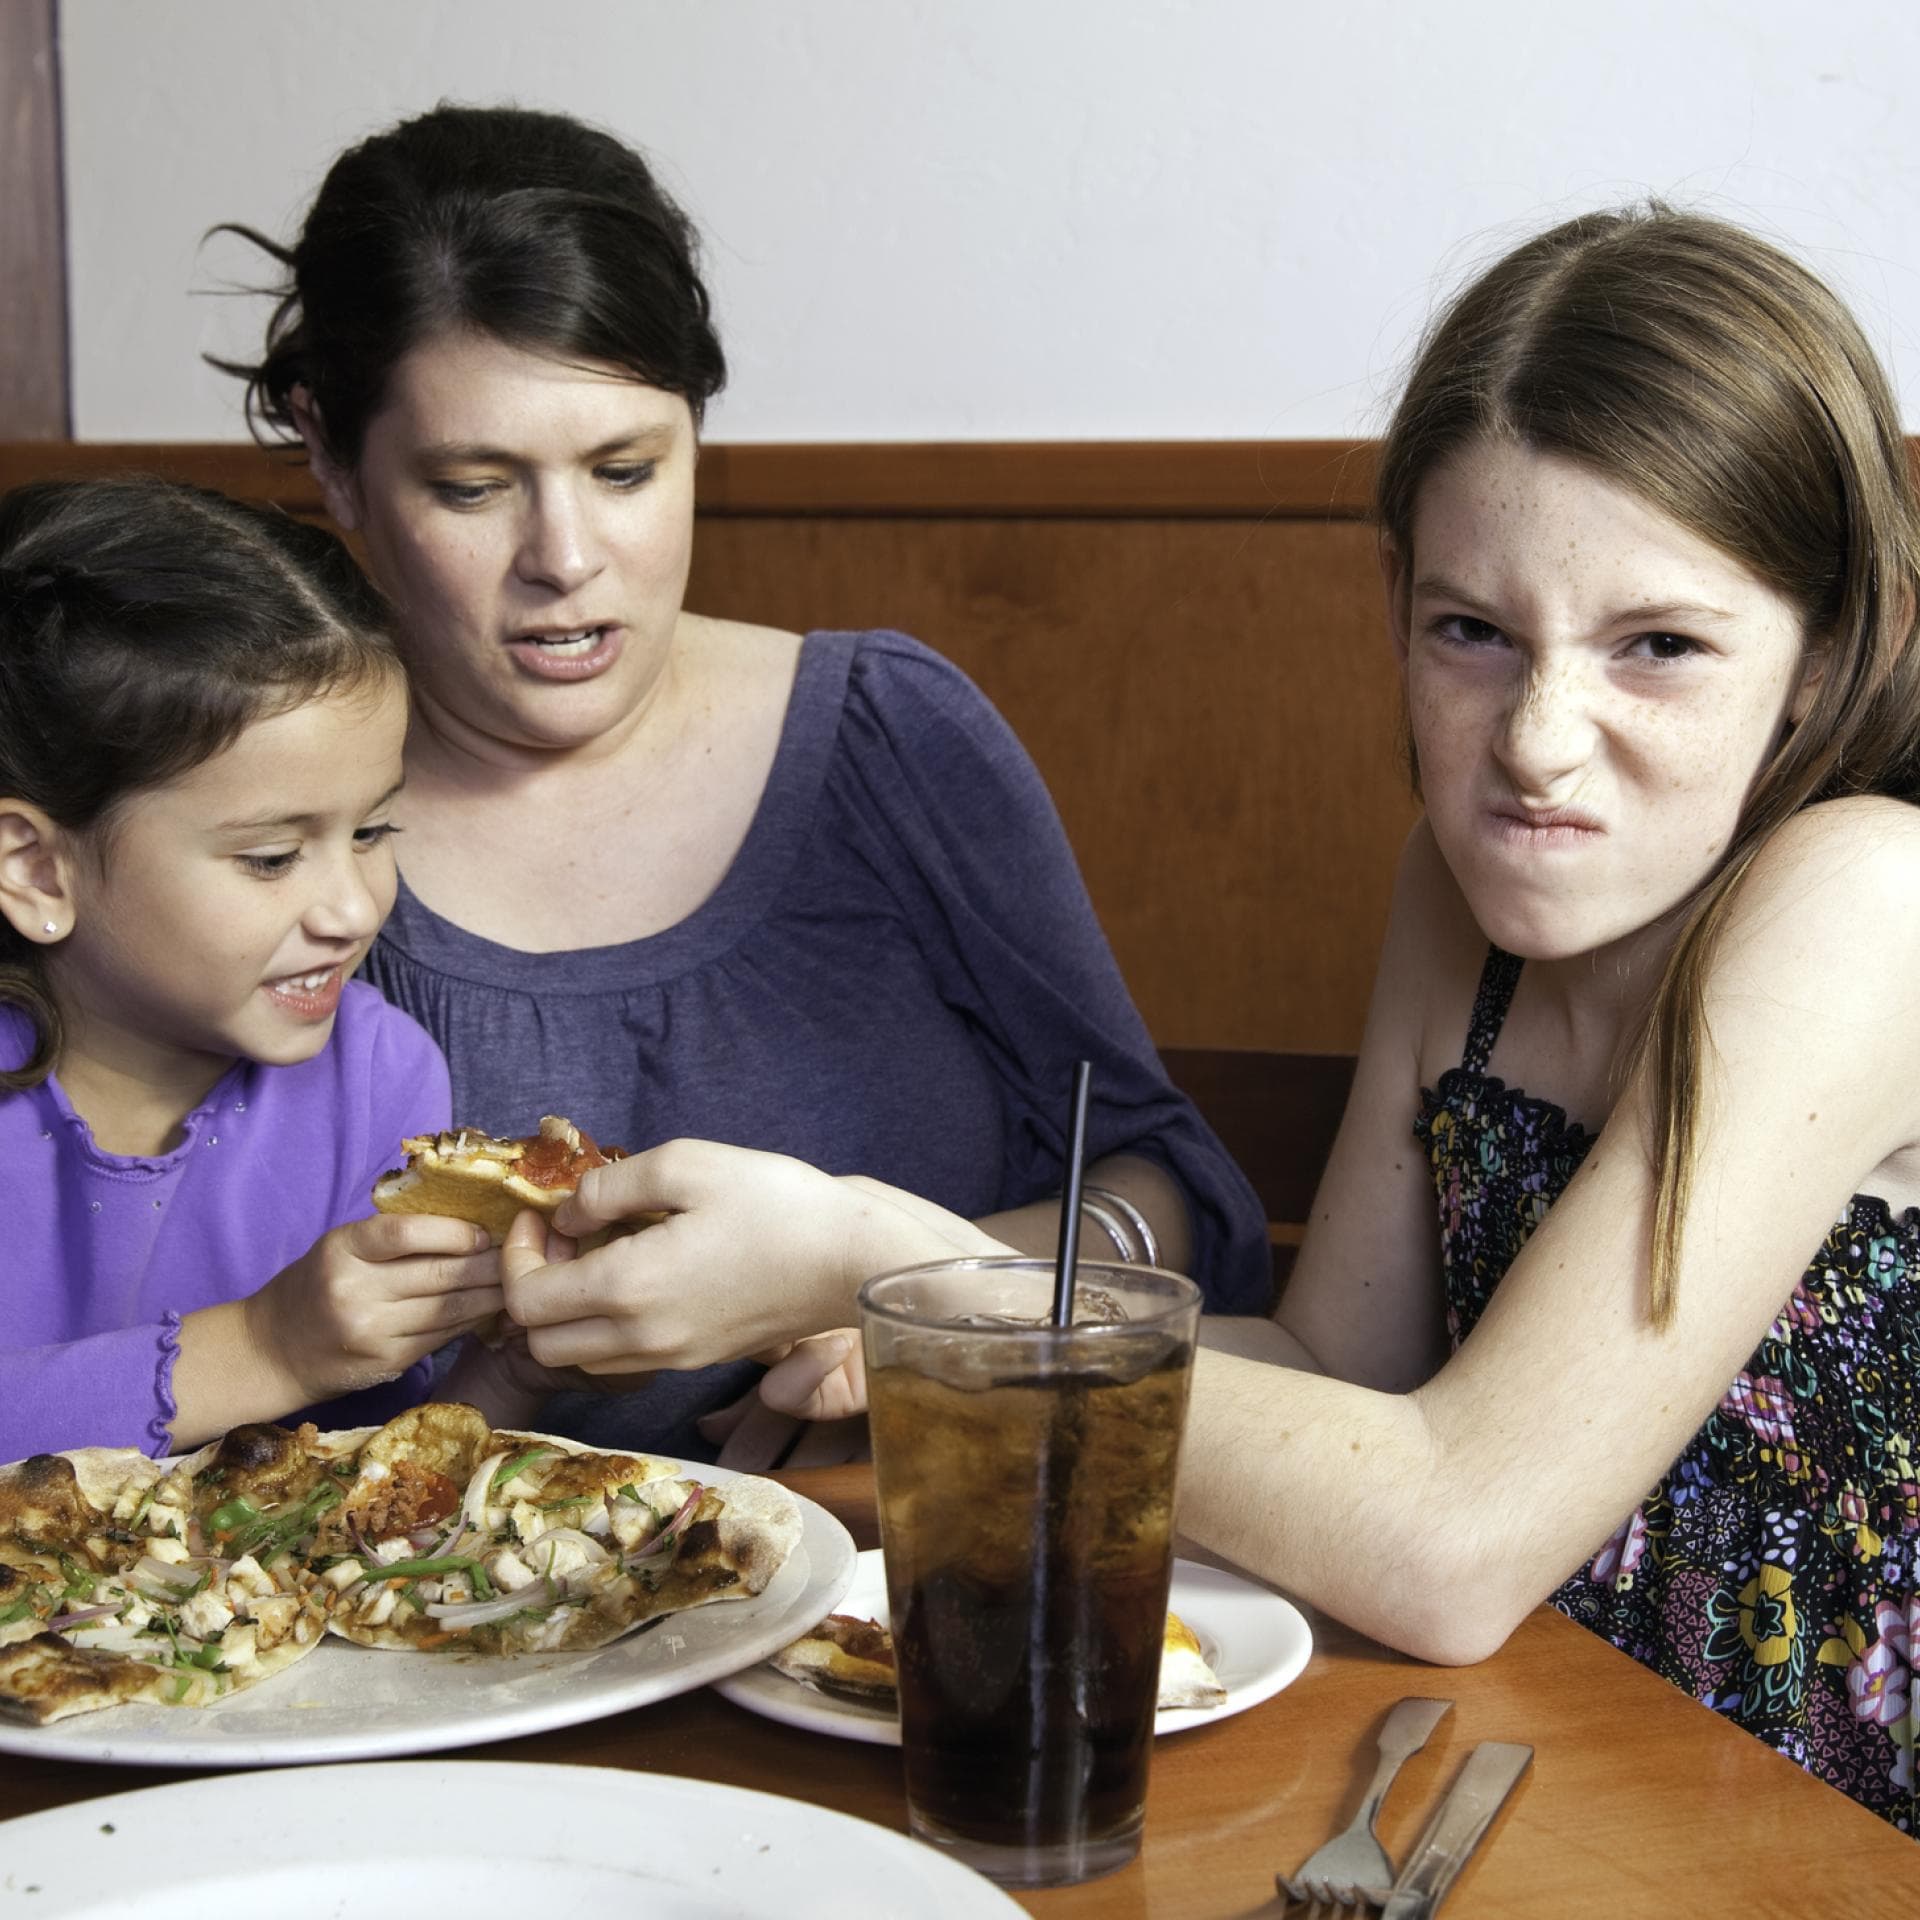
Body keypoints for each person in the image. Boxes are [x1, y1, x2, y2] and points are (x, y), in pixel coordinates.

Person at [510, 206, 1920, 1830]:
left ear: (1833, 653)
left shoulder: (1865, 897)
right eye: (1472, 631)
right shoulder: (1459, 898)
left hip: (1815, 1828)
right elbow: (1342, 1375)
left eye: (1658, 648)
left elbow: (1453, 1537)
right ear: (1396, 601)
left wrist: (891, 1263)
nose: (1538, 739)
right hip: (1511, 1768)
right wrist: (935, 1339)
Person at [217, 102, 1269, 1460]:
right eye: (475, 487)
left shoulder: (894, 740)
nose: (568, 557)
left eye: (626, 469)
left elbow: (1168, 1192)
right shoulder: (240, 824)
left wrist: (900, 1304)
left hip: (901, 1569)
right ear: (330, 459)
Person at [0, 478, 506, 1461]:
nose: (354, 910)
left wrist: (527, 1354)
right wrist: (266, 1345)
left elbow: (368, 1473)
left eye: (372, 831)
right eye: (270, 858)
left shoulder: (381, 1078)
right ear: (37, 868)